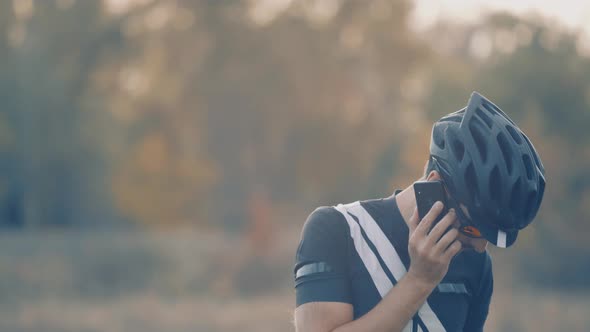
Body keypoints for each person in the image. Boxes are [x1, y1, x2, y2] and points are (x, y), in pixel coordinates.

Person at [293, 92, 546, 332]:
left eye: (490, 238)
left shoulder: (477, 265)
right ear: (435, 184)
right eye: (474, 228)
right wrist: (419, 281)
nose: (480, 247)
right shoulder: (335, 230)